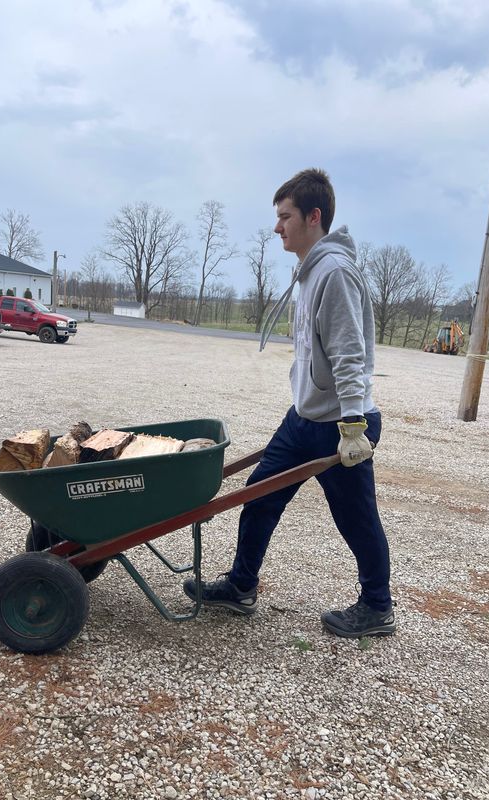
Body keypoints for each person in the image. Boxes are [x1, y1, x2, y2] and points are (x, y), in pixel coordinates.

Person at [183, 168, 395, 638]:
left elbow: (350, 354)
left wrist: (354, 427)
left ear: (313, 217)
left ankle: (378, 607)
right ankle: (241, 587)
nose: (277, 227)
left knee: (356, 519)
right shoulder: (309, 271)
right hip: (302, 419)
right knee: (258, 498)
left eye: (285, 217)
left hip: (342, 424)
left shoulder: (335, 273)